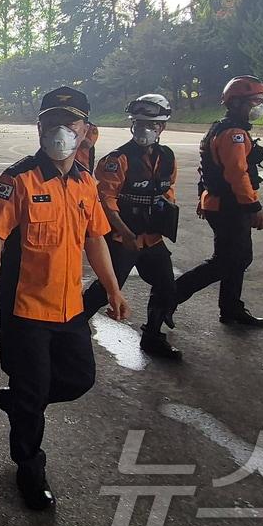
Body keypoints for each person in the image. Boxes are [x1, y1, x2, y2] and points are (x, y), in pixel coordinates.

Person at [0, 86, 129, 510]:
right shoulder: (16, 180)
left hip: (70, 308)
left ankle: (21, 400)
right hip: (25, 312)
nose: (60, 129)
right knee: (33, 393)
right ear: (39, 127)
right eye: (51, 121)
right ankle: (30, 467)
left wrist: (112, 290)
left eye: (69, 122)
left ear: (86, 132)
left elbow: (95, 241)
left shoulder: (86, 183)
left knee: (79, 379)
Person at [82, 94, 182, 359]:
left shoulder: (168, 158)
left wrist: (166, 216)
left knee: (166, 286)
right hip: (121, 237)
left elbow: (168, 190)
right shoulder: (118, 160)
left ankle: (152, 337)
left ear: (163, 127)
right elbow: (106, 200)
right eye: (139, 123)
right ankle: (71, 327)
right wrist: (124, 231)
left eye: (152, 124)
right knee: (106, 289)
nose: (145, 129)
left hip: (151, 238)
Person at [171, 75, 263, 331]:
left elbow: (206, 169)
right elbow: (237, 173)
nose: (259, 106)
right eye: (254, 101)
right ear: (237, 103)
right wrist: (254, 207)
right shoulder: (234, 134)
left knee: (237, 259)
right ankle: (168, 297)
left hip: (221, 203)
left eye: (260, 100)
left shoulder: (220, 128)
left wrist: (202, 196)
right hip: (230, 206)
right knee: (226, 262)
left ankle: (231, 308)